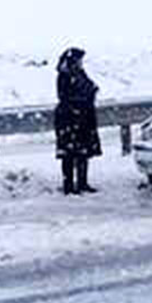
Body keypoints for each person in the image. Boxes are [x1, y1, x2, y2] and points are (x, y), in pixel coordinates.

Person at [54, 46, 101, 194]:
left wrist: (90, 94)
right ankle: (68, 185)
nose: (81, 63)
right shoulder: (64, 75)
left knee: (83, 152)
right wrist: (80, 103)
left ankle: (82, 183)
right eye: (79, 60)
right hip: (69, 118)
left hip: (83, 118)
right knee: (68, 154)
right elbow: (64, 97)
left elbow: (91, 87)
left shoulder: (79, 73)